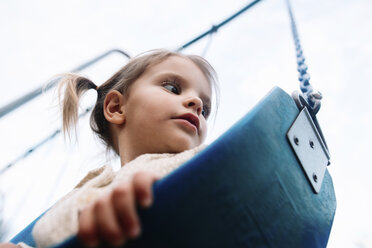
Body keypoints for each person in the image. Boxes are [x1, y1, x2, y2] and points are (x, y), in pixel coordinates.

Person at [3, 49, 218, 248]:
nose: (196, 102)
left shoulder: (208, 162)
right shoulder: (92, 187)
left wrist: (168, 192)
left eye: (206, 109)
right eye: (173, 88)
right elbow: (49, 232)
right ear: (116, 108)